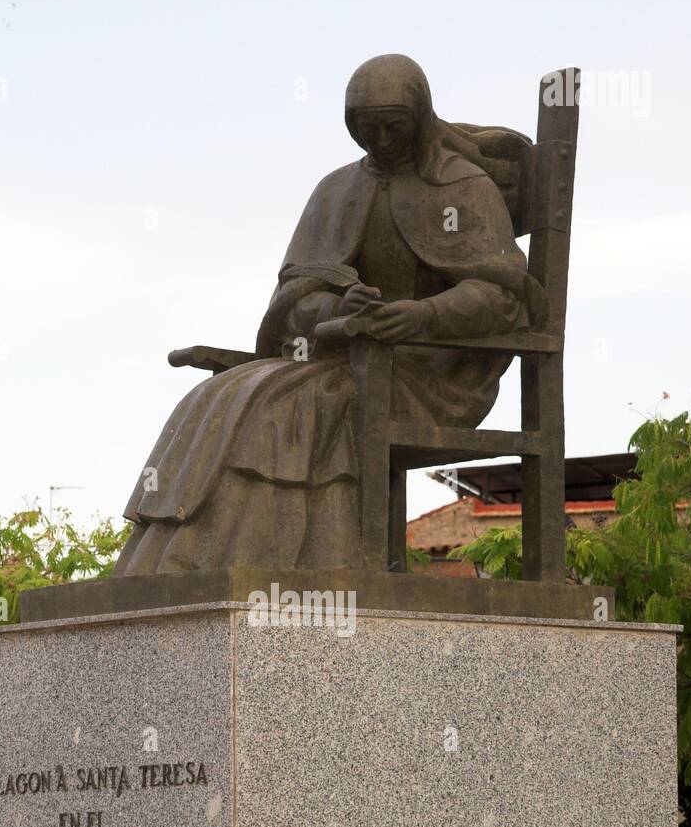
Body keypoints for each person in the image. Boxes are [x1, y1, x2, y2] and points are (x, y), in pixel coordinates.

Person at [115, 54, 544, 576]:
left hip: (435, 375)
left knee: (290, 404)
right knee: (222, 395)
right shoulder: (337, 189)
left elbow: (501, 296)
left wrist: (420, 316)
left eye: (393, 127)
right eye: (367, 130)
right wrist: (340, 305)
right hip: (344, 356)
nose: (381, 140)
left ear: (422, 117)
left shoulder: (463, 186)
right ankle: (178, 570)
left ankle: (312, 570)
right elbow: (295, 295)